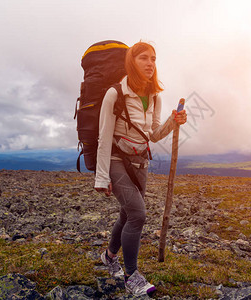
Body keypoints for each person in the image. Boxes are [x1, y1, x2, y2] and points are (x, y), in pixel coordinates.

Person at [94, 41, 187, 296]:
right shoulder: (115, 94)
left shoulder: (155, 95)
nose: (150, 63)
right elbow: (104, 137)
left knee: (127, 213)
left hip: (140, 161)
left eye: (154, 59)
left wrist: (173, 121)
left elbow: (154, 135)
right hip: (115, 160)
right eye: (143, 58)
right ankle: (131, 276)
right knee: (138, 214)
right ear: (131, 62)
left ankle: (110, 257)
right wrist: (102, 177)